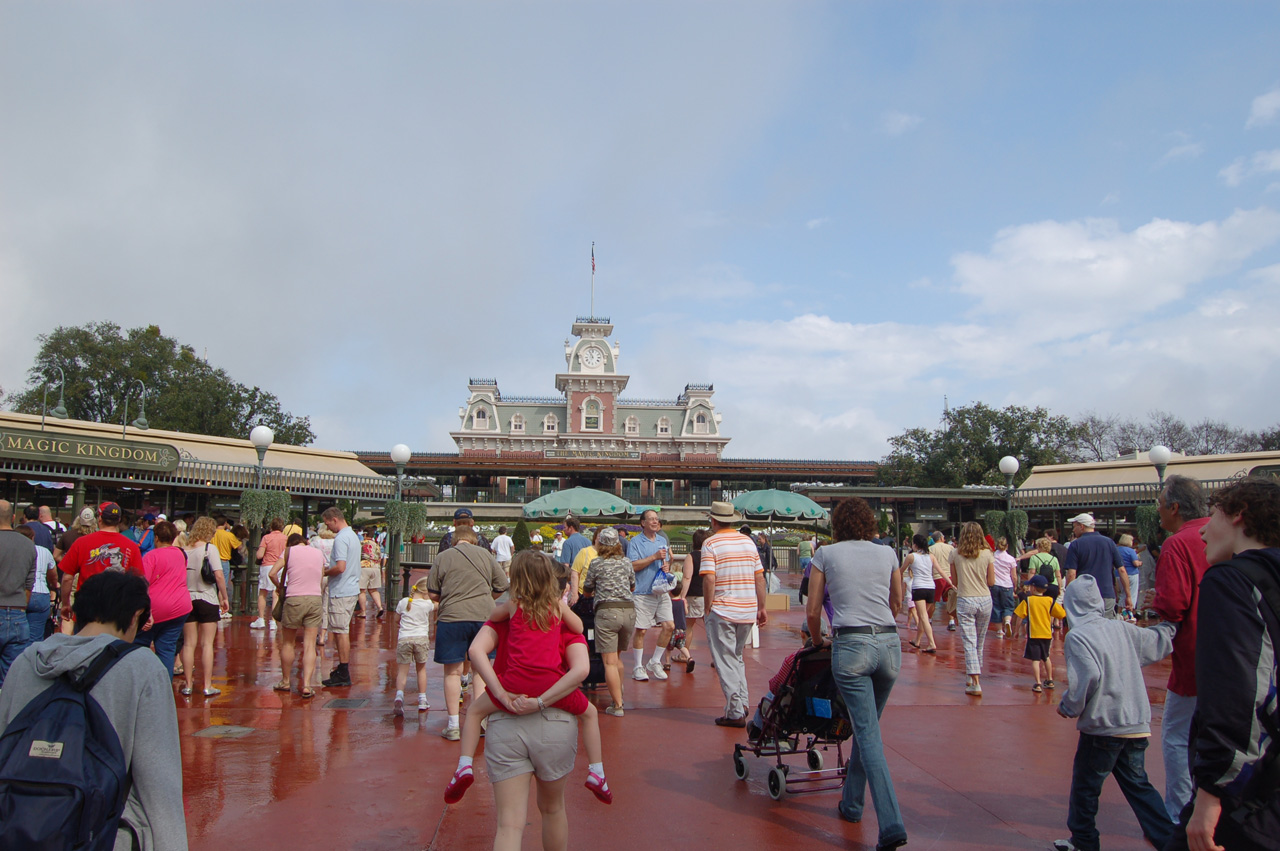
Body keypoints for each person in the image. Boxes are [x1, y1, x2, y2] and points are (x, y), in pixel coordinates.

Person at [0, 571, 188, 850]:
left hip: (18, 828)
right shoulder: (142, 668)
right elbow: (159, 782)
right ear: (136, 615)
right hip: (103, 835)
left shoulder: (27, 661)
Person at [1166, 476, 1280, 851]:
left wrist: (1213, 790)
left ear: (1237, 516)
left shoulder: (1232, 580)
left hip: (1253, 785)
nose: (1202, 534)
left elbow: (1239, 691)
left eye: (1213, 515)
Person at [444, 551, 609, 806]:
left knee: (475, 713)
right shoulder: (556, 607)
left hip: (513, 683)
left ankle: (464, 765)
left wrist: (500, 693)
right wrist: (560, 606)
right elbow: (578, 629)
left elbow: (490, 620)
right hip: (551, 683)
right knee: (590, 714)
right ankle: (597, 771)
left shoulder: (513, 606)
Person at [806, 497, 907, 850]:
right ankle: (851, 804)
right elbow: (897, 601)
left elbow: (814, 608)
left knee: (867, 735)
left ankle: (891, 823)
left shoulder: (826, 554)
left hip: (851, 644)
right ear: (868, 522)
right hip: (889, 645)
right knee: (869, 730)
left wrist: (819, 641)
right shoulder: (888, 553)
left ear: (838, 524)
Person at [465, 575, 591, 851]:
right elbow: (581, 669)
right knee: (553, 809)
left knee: (509, 824)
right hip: (555, 719)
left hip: (507, 715)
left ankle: (462, 764)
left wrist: (499, 693)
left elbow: (476, 651)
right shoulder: (563, 621)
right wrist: (543, 700)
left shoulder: (506, 616)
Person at [1053, 574, 1176, 851]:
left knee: (1086, 786)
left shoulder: (1078, 636)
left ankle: (1084, 841)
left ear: (1072, 605)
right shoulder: (1121, 628)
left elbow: (1088, 676)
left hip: (1104, 725)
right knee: (1138, 785)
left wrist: (1070, 706)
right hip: (1136, 721)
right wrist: (1172, 623)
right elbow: (1157, 642)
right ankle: (1170, 841)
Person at [1149, 474, 1211, 823]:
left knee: (1176, 735)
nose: (1158, 512)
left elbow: (1173, 604)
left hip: (1192, 656)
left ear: (1174, 507)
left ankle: (1179, 812)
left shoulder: (1178, 543)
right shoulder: (1220, 535)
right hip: (1237, 655)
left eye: (1160, 505)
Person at [427, 526, 509, 740]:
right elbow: (502, 585)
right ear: (475, 540)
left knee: (452, 672)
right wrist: (486, 597)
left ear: (455, 541)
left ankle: (453, 724)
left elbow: (432, 593)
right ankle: (480, 722)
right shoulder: (485, 555)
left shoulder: (443, 557)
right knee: (480, 671)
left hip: (452, 617)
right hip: (483, 617)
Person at [700, 501, 767, 727]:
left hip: (723, 608)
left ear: (713, 520)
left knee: (725, 660)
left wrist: (708, 606)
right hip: (747, 609)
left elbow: (709, 578)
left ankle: (736, 710)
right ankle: (742, 703)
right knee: (736, 657)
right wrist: (762, 607)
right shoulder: (748, 542)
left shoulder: (710, 543)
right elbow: (759, 576)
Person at [57, 502, 144, 632]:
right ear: (119, 520)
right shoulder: (131, 546)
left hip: (87, 606)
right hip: (117, 607)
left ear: (99, 519)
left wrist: (65, 604)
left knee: (85, 646)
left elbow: (67, 578)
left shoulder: (82, 542)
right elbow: (140, 581)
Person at [583, 526, 637, 715]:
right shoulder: (626, 562)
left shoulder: (597, 563)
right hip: (629, 611)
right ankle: (619, 692)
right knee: (618, 657)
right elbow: (632, 586)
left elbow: (587, 589)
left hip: (607, 612)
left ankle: (618, 705)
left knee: (609, 662)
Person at [133, 520, 191, 677]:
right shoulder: (180, 554)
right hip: (180, 607)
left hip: (157, 608)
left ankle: (140, 683)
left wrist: (146, 611)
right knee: (167, 648)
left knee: (139, 645)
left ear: (156, 537)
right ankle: (165, 687)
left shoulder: (150, 556)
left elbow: (143, 584)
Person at [271, 532, 324, 698]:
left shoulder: (289, 552)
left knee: (288, 643)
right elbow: (321, 575)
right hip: (315, 599)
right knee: (309, 644)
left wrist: (280, 586)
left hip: (295, 598)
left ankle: (286, 681)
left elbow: (272, 573)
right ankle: (307, 684)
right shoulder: (318, 553)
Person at [181, 517, 229, 697]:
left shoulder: (184, 550)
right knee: (207, 644)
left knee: (188, 644)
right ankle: (207, 685)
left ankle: (188, 684)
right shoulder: (210, 549)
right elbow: (218, 576)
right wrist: (224, 597)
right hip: (207, 597)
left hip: (187, 598)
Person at [627, 509, 675, 682]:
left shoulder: (663, 540)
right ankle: (637, 666)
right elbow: (632, 565)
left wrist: (667, 566)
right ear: (643, 523)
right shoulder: (635, 542)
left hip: (661, 591)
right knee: (641, 630)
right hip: (643, 591)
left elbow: (666, 562)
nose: (655, 522)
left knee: (669, 626)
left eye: (657, 519)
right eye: (651, 519)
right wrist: (653, 557)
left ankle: (655, 661)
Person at [950, 521, 995, 696]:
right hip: (984, 599)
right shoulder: (987, 554)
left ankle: (974, 680)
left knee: (969, 641)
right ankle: (973, 676)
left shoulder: (955, 553)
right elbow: (991, 581)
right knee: (980, 641)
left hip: (965, 598)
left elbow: (954, 581)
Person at [321, 506, 361, 688]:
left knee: (340, 630)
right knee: (340, 629)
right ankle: (342, 668)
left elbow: (340, 566)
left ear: (334, 519)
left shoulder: (341, 538)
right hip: (351, 587)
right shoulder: (352, 536)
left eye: (327, 523)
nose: (327, 527)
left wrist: (324, 572)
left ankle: (344, 670)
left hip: (341, 589)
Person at [1064, 512, 1130, 619]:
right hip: (1106, 593)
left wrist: (1069, 595)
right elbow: (1122, 570)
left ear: (1081, 526)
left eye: (1074, 526)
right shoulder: (1109, 542)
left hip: (1085, 595)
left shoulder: (1076, 544)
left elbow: (1072, 574)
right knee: (1107, 628)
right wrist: (1128, 595)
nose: (1073, 530)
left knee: (1087, 628)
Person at [0, 500, 37, 685]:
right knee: (11, 680)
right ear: (14, 518)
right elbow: (29, 585)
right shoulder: (29, 545)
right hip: (17, 613)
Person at [1014, 575, 1066, 692]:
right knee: (1046, 657)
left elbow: (1019, 616)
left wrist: (1016, 631)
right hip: (1047, 634)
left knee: (1035, 660)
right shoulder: (1049, 601)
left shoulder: (1028, 600)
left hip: (1034, 634)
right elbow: (1062, 614)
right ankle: (1050, 679)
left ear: (1033, 588)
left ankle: (1037, 682)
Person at [392, 577, 435, 716]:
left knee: (402, 670)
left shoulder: (404, 602)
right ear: (425, 592)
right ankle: (422, 699)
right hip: (421, 639)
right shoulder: (427, 604)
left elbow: (396, 620)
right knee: (421, 669)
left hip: (405, 638)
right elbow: (438, 604)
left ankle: (399, 696)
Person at [902, 534, 937, 653]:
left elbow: (901, 571)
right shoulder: (931, 556)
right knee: (924, 616)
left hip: (919, 588)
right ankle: (917, 640)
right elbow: (940, 570)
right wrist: (950, 582)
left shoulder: (911, 556)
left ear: (915, 544)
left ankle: (931, 643)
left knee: (923, 617)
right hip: (931, 588)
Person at [679, 528, 710, 662]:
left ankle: (684, 655)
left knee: (689, 626)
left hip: (694, 595)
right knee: (710, 628)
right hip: (708, 595)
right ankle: (717, 656)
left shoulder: (691, 557)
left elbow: (687, 577)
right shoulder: (710, 555)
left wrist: (681, 597)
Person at [250, 518, 287, 630]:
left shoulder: (266, 538)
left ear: (271, 526)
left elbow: (259, 555)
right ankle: (273, 621)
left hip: (267, 566)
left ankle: (261, 619)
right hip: (280, 566)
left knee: (263, 592)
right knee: (276, 593)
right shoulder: (286, 538)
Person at [309, 523, 336, 647]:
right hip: (331, 574)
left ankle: (313, 631)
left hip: (317, 574)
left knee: (315, 604)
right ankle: (323, 636)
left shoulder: (315, 542)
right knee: (326, 606)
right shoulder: (336, 542)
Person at [929, 531, 958, 631]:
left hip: (937, 577)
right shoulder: (950, 548)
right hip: (949, 576)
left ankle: (929, 619)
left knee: (933, 600)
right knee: (950, 600)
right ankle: (951, 621)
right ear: (941, 538)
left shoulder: (930, 549)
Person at [991, 536, 1019, 637]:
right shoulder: (1011, 559)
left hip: (994, 584)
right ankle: (1007, 621)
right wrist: (1015, 586)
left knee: (996, 606)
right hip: (1007, 584)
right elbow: (1014, 576)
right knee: (1008, 606)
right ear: (1007, 546)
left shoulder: (992, 557)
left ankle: (999, 631)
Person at [356, 525, 385, 621]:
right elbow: (380, 557)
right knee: (373, 590)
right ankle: (380, 607)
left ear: (365, 534)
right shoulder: (376, 545)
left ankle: (363, 611)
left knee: (362, 590)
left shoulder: (361, 543)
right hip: (375, 567)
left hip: (364, 566)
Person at [1116, 533, 1142, 621]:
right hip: (1131, 574)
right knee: (1132, 594)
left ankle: (1120, 613)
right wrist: (1140, 563)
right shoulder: (1130, 551)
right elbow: (1135, 563)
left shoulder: (1116, 550)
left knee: (1122, 594)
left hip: (1118, 575)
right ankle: (1129, 613)